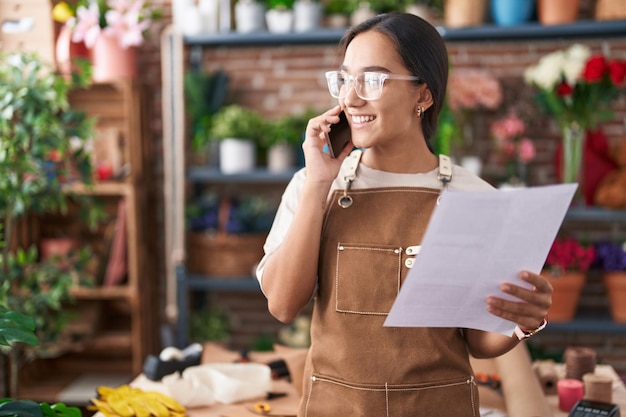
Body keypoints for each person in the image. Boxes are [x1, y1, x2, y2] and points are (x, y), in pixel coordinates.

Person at [255, 12, 552, 417]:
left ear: (423, 95)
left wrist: (524, 322)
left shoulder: (475, 198)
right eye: (344, 79)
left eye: (373, 80)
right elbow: (283, 305)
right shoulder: (317, 184)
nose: (351, 98)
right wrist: (318, 183)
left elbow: (479, 343)